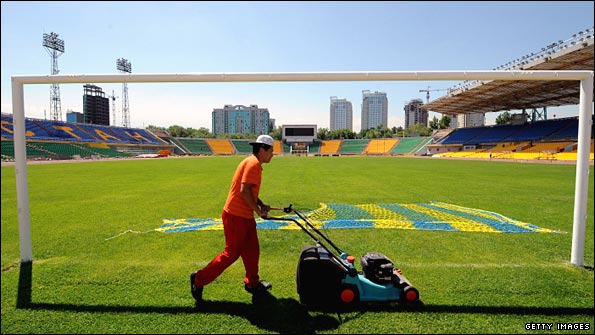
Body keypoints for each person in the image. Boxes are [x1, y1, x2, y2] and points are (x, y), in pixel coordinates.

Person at [190, 134, 276, 304]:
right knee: (231, 254)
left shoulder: (252, 162)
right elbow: (244, 192)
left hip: (244, 215)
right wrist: (259, 212)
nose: (273, 154)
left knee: (252, 250)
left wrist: (261, 204)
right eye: (271, 151)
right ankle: (198, 279)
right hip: (236, 216)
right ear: (262, 149)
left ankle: (252, 283)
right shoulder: (252, 164)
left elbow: (248, 191)